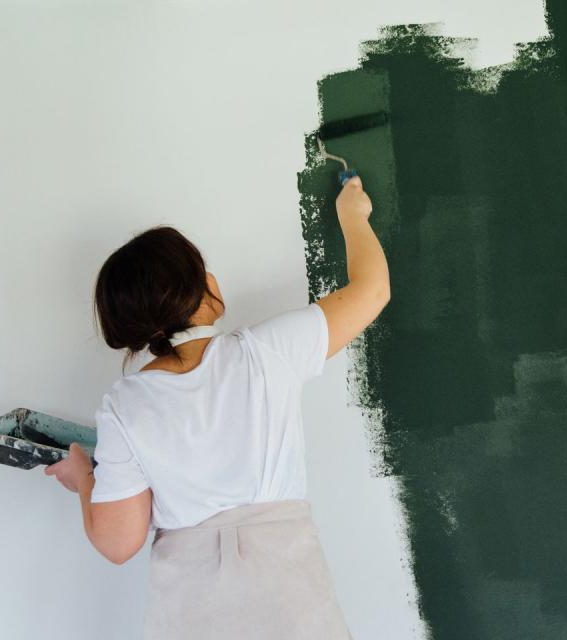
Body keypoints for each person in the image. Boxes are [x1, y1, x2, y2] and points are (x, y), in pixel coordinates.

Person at [44, 176, 389, 639]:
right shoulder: (268, 351)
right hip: (293, 605)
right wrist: (353, 214)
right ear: (207, 291)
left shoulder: (126, 407)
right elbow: (372, 291)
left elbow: (119, 542)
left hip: (194, 616)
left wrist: (81, 477)